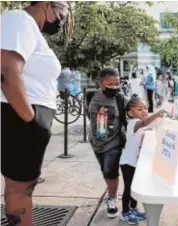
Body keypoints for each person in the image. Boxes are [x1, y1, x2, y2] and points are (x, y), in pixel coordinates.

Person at [1, 1, 73, 225]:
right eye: (63, 13)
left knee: (23, 186)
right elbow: (6, 72)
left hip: (25, 117)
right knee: (20, 188)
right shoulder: (19, 20)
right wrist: (31, 119)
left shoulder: (29, 28)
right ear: (47, 4)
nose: (62, 20)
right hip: (21, 117)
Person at [119, 95, 167, 224]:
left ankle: (133, 208)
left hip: (136, 162)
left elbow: (147, 127)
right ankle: (125, 212)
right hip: (128, 163)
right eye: (139, 109)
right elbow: (145, 123)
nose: (144, 111)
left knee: (135, 187)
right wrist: (157, 114)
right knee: (128, 188)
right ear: (130, 112)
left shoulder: (139, 124)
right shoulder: (132, 123)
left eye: (145, 108)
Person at [87, 68, 128, 218]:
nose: (114, 87)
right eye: (110, 83)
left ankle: (112, 198)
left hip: (113, 143)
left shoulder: (121, 99)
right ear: (101, 83)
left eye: (117, 83)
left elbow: (134, 112)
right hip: (96, 142)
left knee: (110, 171)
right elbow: (90, 115)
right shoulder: (91, 96)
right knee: (105, 171)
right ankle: (112, 192)